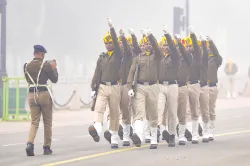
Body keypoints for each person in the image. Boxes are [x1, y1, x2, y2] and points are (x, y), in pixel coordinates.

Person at [89, 18, 122, 149]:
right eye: (106, 43)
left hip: (114, 86)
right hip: (102, 86)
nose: (108, 44)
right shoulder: (102, 57)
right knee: (99, 109)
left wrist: (112, 28)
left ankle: (114, 138)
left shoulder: (118, 54)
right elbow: (97, 73)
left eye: (110, 42)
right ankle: (96, 130)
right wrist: (93, 88)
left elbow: (116, 43)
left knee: (114, 112)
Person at [127, 28, 161, 149]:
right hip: (140, 86)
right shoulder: (139, 57)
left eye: (150, 43)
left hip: (153, 86)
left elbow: (157, 47)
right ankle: (138, 135)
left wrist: (151, 35)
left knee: (153, 114)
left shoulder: (157, 55)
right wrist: (129, 87)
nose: (148, 45)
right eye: (146, 43)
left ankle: (153, 138)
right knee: (139, 113)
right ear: (143, 45)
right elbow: (131, 72)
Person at [24, 45, 58, 156]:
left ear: (34, 53)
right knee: (47, 122)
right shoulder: (46, 65)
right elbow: (55, 79)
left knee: (34, 122)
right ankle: (46, 147)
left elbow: (28, 79)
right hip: (43, 94)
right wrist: (54, 68)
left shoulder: (26, 66)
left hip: (31, 94)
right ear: (42, 54)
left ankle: (30, 144)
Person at [156, 26, 180, 147]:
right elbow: (155, 47)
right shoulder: (161, 58)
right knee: (159, 109)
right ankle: (158, 130)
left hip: (172, 86)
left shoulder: (175, 57)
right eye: (164, 45)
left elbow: (174, 49)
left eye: (168, 45)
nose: (165, 47)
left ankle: (172, 135)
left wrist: (167, 35)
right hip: (161, 86)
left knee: (172, 112)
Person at [175, 35, 193, 145]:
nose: (179, 49)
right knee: (171, 112)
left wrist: (180, 44)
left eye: (180, 47)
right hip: (171, 87)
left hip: (182, 87)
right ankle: (172, 132)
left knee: (182, 112)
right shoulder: (172, 58)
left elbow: (185, 52)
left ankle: (181, 134)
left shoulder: (188, 58)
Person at [185, 26, 202, 144]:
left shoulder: (197, 56)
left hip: (195, 85)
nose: (188, 48)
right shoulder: (184, 57)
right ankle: (189, 132)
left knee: (195, 110)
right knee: (186, 111)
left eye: (190, 46)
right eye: (187, 46)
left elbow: (197, 47)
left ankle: (195, 134)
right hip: (185, 85)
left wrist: (192, 35)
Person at [207, 36, 223, 141]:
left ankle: (211, 130)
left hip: (212, 87)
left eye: (209, 47)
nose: (208, 48)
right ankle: (204, 130)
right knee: (201, 110)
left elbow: (217, 54)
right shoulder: (203, 58)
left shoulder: (216, 59)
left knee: (210, 109)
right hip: (202, 86)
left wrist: (211, 42)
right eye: (207, 47)